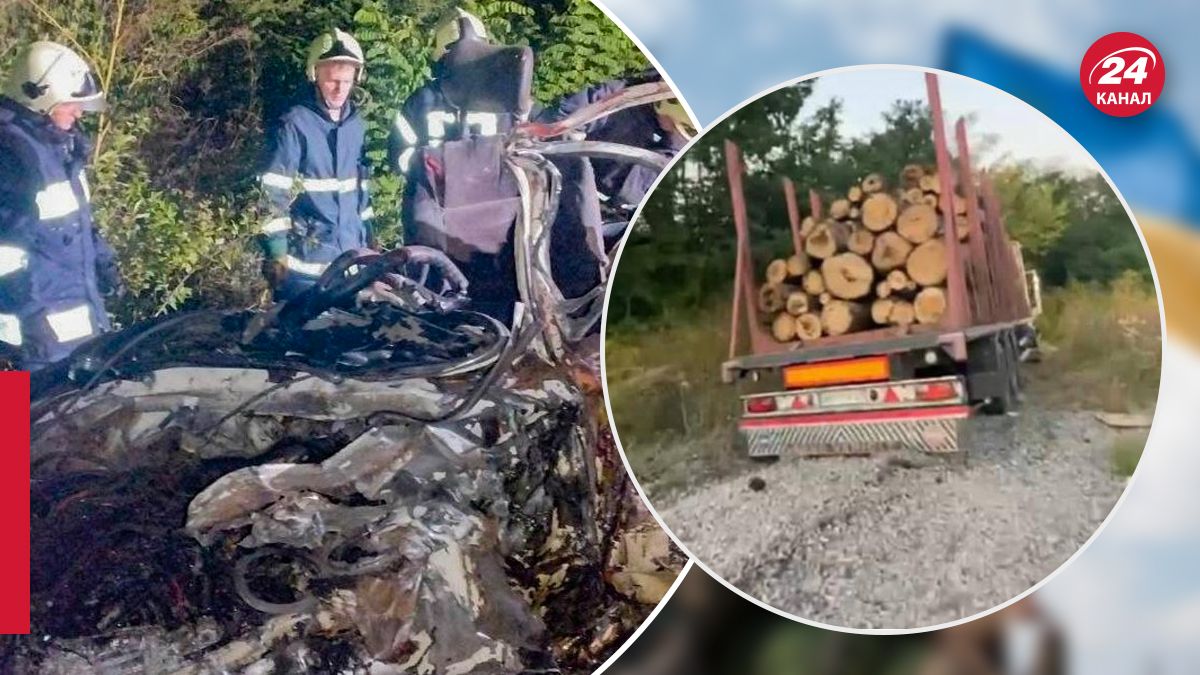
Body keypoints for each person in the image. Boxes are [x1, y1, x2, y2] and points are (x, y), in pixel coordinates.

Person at [0, 41, 119, 370]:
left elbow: (78, 224)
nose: (78, 113)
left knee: (88, 403)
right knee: (12, 404)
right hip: (27, 342)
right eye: (70, 103)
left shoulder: (60, 151)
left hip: (76, 336)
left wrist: (103, 261)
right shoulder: (12, 157)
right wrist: (26, 315)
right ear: (40, 98)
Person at [258, 28, 373, 300]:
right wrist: (277, 253)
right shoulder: (294, 125)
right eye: (332, 80)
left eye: (346, 81)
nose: (340, 89)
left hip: (351, 262)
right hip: (305, 269)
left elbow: (361, 192)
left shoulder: (356, 125)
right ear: (315, 75)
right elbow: (273, 193)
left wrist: (370, 238)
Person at [537, 76, 695, 224]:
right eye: (683, 129)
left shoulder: (679, 148)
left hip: (613, 213)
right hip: (562, 190)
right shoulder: (616, 100)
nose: (678, 135)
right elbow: (563, 125)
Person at [386, 8, 516, 176]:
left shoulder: (503, 100)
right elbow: (399, 155)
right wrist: (434, 171)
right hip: (437, 192)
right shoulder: (422, 101)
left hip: (489, 192)